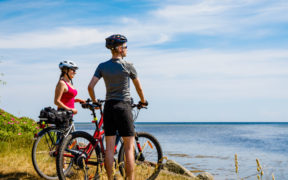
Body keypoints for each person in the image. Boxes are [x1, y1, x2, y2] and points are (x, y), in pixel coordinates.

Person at [88, 34, 147, 180]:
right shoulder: (128, 65)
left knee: (109, 148)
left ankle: (110, 178)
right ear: (120, 49)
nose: (127, 50)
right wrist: (143, 100)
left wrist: (95, 101)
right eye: (125, 47)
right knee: (128, 148)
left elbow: (90, 86)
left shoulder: (102, 66)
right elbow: (139, 88)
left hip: (109, 107)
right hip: (123, 107)